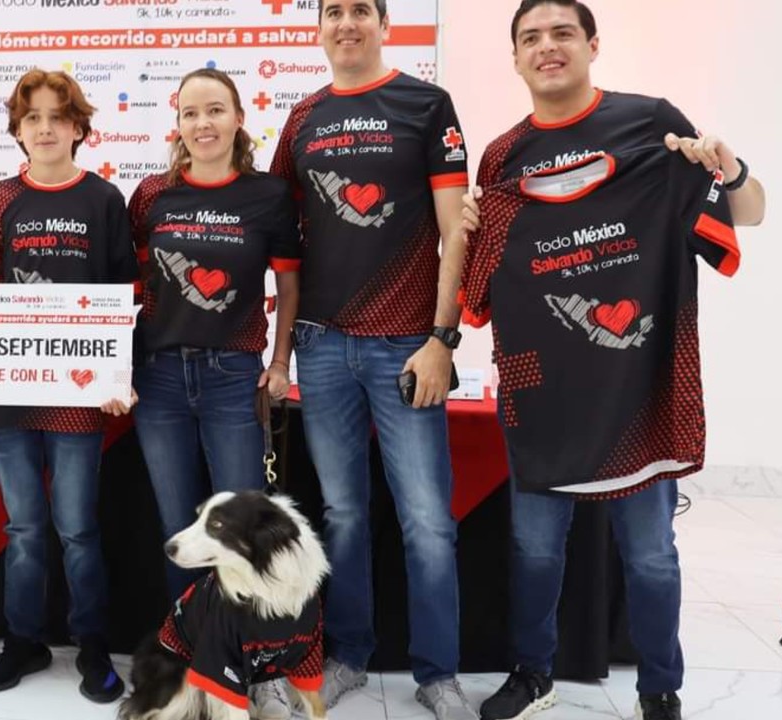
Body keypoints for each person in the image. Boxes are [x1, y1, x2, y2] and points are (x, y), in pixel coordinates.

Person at [458, 3, 766, 720]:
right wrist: (471, 233)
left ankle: (661, 687)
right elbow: (477, 282)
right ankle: (532, 673)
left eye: (562, 32)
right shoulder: (503, 157)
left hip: (641, 389)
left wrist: (730, 165)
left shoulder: (650, 126)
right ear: (515, 58)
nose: (547, 47)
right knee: (535, 551)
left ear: (592, 44)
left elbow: (746, 214)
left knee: (652, 555)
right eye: (530, 38)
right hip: (542, 395)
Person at [268, 1, 474, 718]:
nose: (346, 22)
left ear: (384, 25)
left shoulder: (425, 103)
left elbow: (458, 233)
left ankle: (437, 673)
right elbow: (282, 243)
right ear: (319, 28)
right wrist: (281, 349)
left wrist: (442, 340)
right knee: (344, 514)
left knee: (427, 520)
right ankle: (350, 655)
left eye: (361, 9)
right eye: (333, 11)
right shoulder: (302, 119)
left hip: (407, 348)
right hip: (323, 348)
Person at [0, 68, 135, 704]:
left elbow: (125, 295)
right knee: (24, 528)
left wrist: (115, 376)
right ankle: (23, 641)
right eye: (32, 119)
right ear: (17, 131)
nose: (44, 128)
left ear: (78, 127)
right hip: (8, 395)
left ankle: (92, 645)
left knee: (76, 528)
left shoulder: (103, 200)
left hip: (79, 395)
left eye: (57, 117)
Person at [129, 67, 303, 720]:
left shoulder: (269, 196)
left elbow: (288, 287)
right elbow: (129, 292)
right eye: (190, 113)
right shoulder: (151, 196)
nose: (202, 124)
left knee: (243, 539)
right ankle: (195, 664)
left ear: (237, 118)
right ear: (176, 124)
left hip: (235, 377)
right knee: (183, 534)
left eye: (215, 110)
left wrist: (280, 361)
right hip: (161, 379)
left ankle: (258, 670)